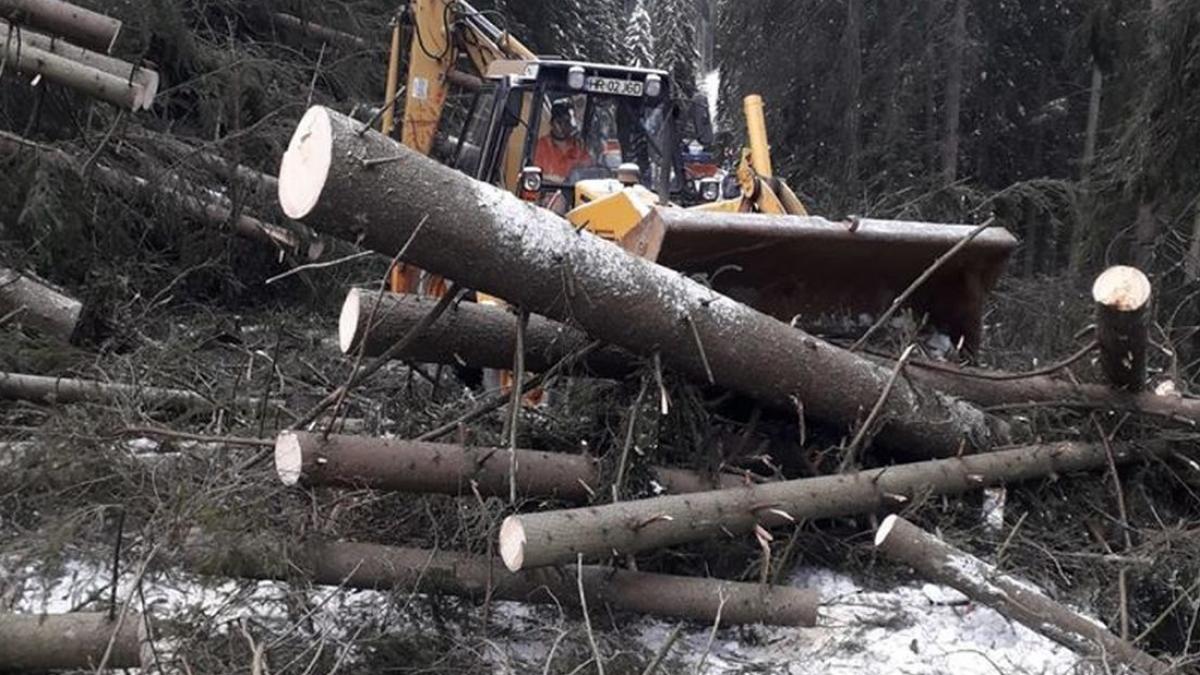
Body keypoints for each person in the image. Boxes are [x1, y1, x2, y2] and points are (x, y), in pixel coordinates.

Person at [534, 99, 593, 183]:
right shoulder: (541, 146)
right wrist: (562, 181)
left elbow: (589, 171)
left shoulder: (578, 146)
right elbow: (535, 175)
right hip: (547, 192)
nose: (563, 126)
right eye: (559, 122)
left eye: (566, 122)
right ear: (551, 123)